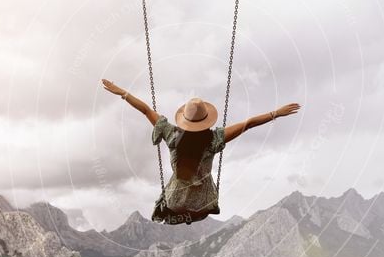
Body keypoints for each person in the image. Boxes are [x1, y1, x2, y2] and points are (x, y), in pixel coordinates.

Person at [101, 79, 300, 224]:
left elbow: (145, 110)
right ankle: (187, 212)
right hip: (203, 203)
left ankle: (170, 213)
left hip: (175, 201)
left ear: (184, 120)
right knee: (198, 199)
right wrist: (275, 113)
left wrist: (122, 93)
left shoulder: (171, 134)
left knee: (170, 198)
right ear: (206, 121)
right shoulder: (214, 140)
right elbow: (247, 124)